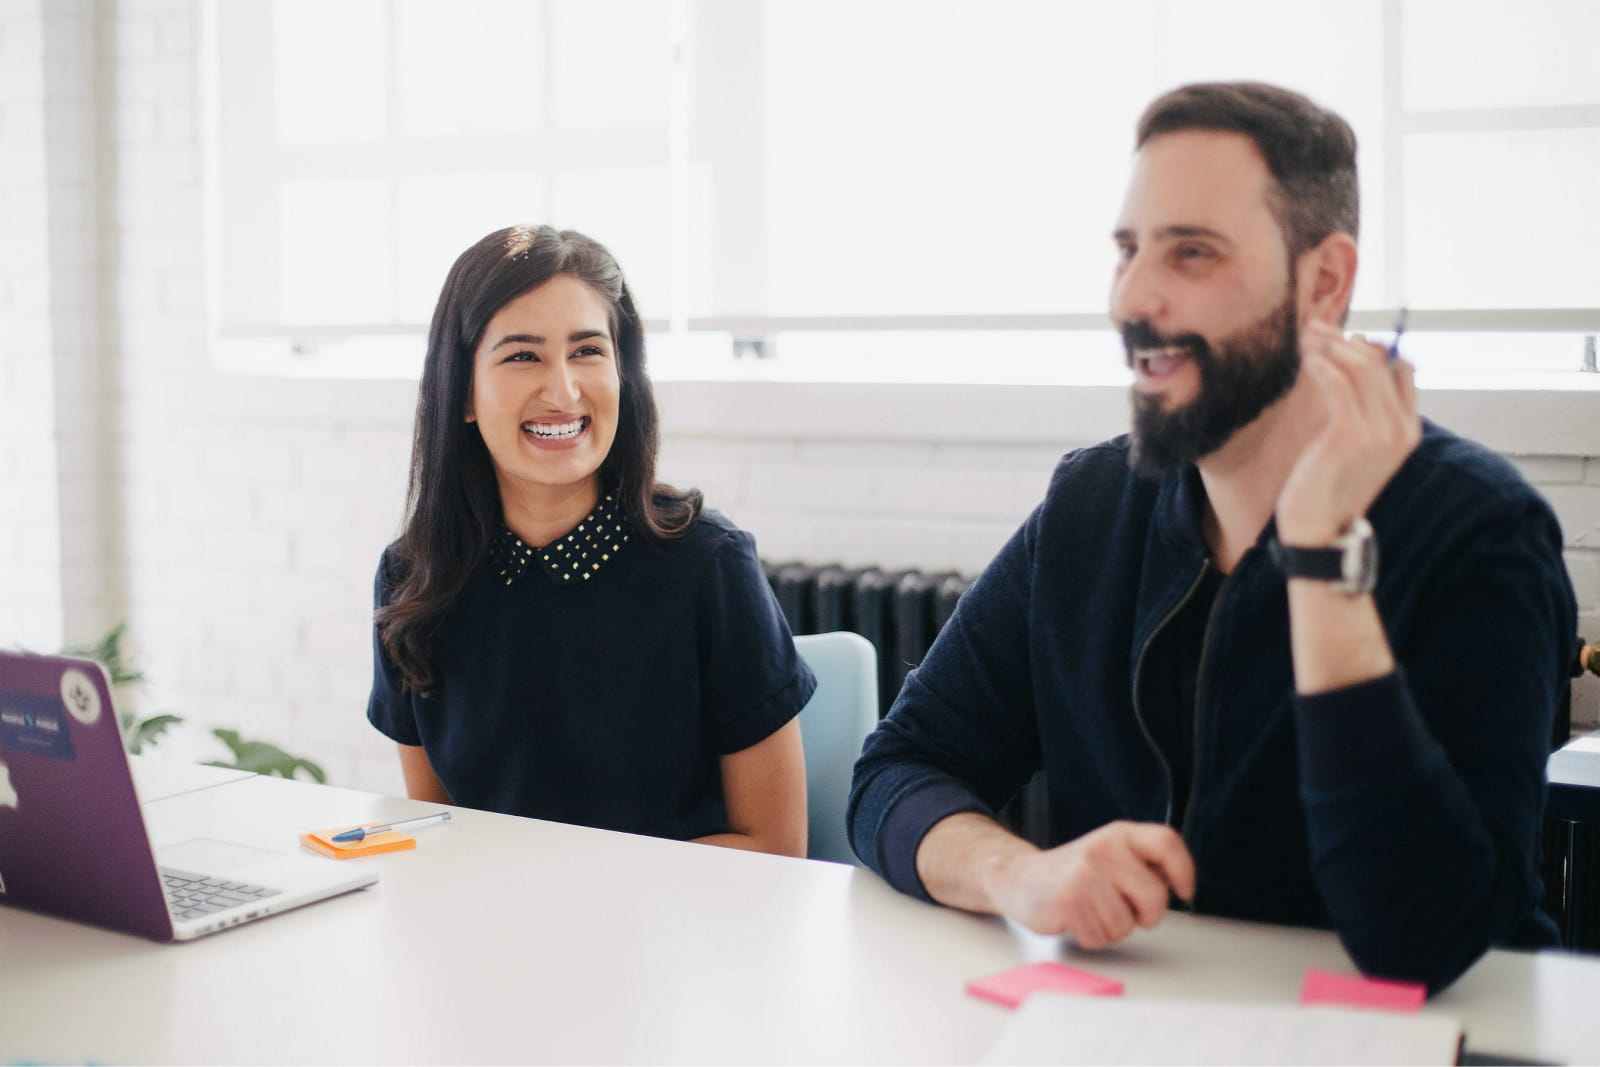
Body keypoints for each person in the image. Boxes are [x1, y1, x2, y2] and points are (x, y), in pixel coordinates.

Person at [847, 82, 1576, 992]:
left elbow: (1423, 940)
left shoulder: (1481, 533)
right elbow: (895, 773)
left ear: (1323, 282)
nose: (1134, 297)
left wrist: (1322, 558)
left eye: (1191, 253)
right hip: (1136, 1023)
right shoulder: (1093, 503)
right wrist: (1022, 872)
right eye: (1127, 250)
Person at [367, 225, 813, 857]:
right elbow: (438, 827)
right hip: (490, 932)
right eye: (523, 356)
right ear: (463, 392)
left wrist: (564, 894)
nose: (563, 391)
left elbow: (775, 846)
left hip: (682, 933)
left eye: (587, 351)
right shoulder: (414, 576)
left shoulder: (707, 565)